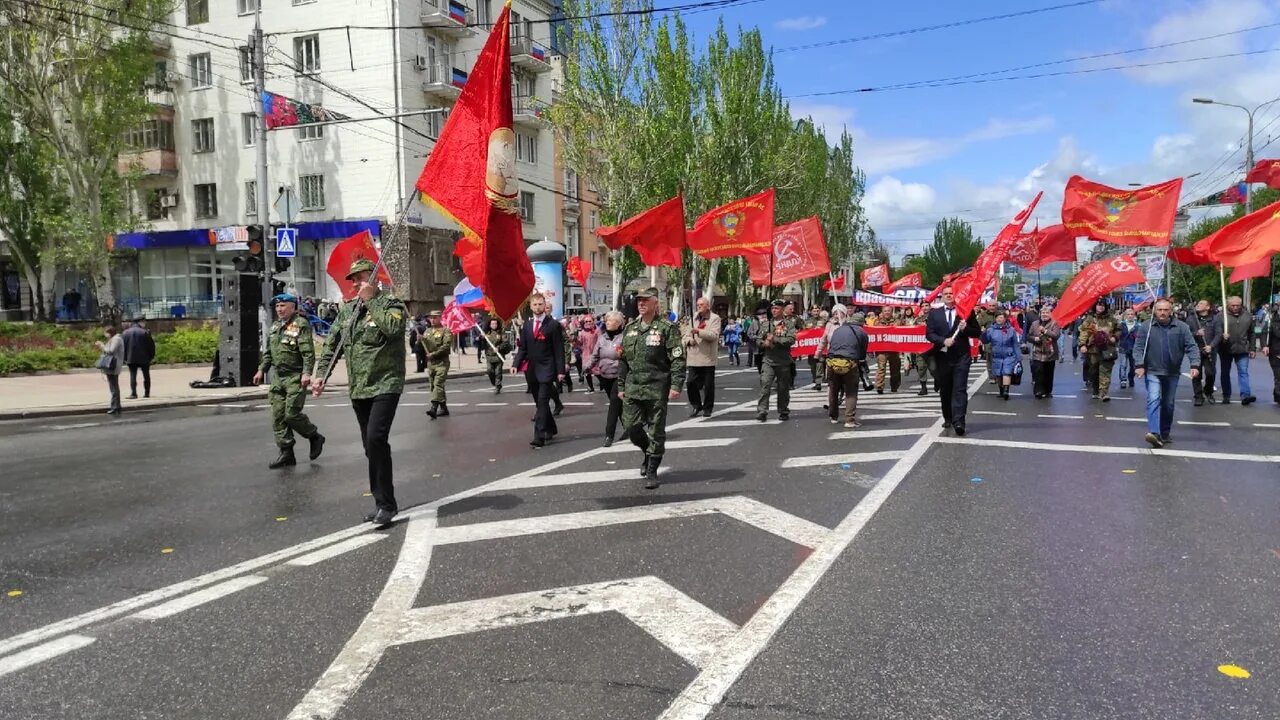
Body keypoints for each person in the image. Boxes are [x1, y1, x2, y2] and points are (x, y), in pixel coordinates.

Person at [312, 258, 407, 526]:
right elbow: (332, 345)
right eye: (352, 279)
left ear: (374, 278)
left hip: (386, 383)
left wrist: (372, 301)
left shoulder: (391, 304)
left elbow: (392, 329)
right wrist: (321, 376)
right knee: (370, 446)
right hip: (359, 387)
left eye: (360, 277)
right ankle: (381, 503)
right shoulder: (348, 311)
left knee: (377, 438)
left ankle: (387, 506)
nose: (355, 283)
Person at [618, 286, 686, 489]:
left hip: (657, 387)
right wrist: (621, 385)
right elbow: (623, 360)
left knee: (656, 430)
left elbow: (677, 359)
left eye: (646, 300)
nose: (641, 303)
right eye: (639, 300)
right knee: (631, 427)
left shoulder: (666, 328)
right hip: (633, 387)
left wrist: (676, 385)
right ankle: (648, 451)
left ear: (656, 303)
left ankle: (652, 470)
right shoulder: (630, 329)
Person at [253, 293, 325, 469]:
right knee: (278, 416)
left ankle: (314, 436)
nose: (279, 309)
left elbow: (308, 352)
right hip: (279, 377)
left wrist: (307, 373)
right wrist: (261, 370)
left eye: (283, 306)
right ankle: (286, 453)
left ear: (293, 307)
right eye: (277, 307)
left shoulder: (301, 324)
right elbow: (269, 353)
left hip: (295, 376)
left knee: (291, 414)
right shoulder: (275, 326)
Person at [1133, 299, 1199, 448]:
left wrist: (1195, 364)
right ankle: (1154, 433)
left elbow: (1191, 346)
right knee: (1153, 399)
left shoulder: (1181, 327)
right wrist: (1139, 365)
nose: (1162, 313)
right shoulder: (1146, 327)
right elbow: (1138, 347)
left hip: (1172, 371)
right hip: (1152, 370)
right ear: (1154, 311)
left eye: (1165, 310)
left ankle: (1164, 432)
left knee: (1168, 404)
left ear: (1171, 311)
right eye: (1159, 310)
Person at [925, 288, 982, 435]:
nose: (949, 295)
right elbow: (929, 334)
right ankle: (948, 417)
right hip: (943, 357)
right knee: (946, 389)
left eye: (952, 293)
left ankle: (959, 421)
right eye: (946, 294)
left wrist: (965, 329)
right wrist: (943, 340)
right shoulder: (934, 314)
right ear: (942, 297)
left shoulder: (965, 312)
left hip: (961, 357)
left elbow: (976, 332)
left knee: (960, 389)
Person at [513, 293, 565, 448]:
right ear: (531, 306)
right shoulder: (527, 326)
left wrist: (560, 370)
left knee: (543, 401)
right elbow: (523, 348)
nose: (538, 307)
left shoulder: (553, 325)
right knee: (539, 402)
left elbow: (559, 350)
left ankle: (539, 435)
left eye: (540, 304)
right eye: (535, 304)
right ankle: (551, 428)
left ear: (545, 305)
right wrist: (516, 363)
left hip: (547, 368)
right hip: (532, 370)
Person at [818, 304, 868, 428]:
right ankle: (849, 420)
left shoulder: (838, 329)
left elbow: (831, 345)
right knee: (851, 392)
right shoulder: (862, 333)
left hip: (832, 362)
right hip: (849, 364)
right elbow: (862, 354)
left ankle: (833, 416)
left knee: (833, 389)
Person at [586, 310, 626, 446]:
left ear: (619, 323)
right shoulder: (602, 337)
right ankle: (629, 427)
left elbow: (627, 357)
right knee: (618, 405)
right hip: (605, 374)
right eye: (607, 320)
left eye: (611, 320)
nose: (608, 322)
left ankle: (609, 435)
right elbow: (595, 354)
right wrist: (587, 366)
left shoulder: (624, 337)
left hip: (619, 375)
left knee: (614, 404)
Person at [756, 299, 797, 422]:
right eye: (772, 309)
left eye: (777, 308)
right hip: (768, 360)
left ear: (782, 310)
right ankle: (762, 411)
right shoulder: (765, 324)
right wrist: (765, 343)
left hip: (783, 361)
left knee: (783, 388)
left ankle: (783, 410)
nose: (774, 311)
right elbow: (758, 340)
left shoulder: (788, 324)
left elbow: (791, 339)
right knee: (765, 385)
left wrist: (775, 340)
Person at [683, 296, 721, 418]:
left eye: (702, 305)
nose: (699, 307)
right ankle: (696, 405)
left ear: (708, 306)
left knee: (708, 385)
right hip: (693, 357)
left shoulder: (715, 318)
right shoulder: (693, 317)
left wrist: (698, 332)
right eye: (698, 305)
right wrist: (689, 340)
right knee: (690, 383)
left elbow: (713, 335)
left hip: (707, 357)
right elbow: (685, 335)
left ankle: (708, 408)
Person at [1218, 295, 1256, 405]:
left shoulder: (1247, 316)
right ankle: (1226, 395)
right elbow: (1216, 331)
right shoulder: (1221, 316)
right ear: (1228, 305)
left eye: (1238, 305)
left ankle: (1245, 395)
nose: (1235, 307)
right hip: (1226, 349)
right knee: (1225, 373)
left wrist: (1252, 348)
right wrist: (1222, 336)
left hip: (1242, 349)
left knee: (1243, 372)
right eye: (1233, 305)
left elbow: (1252, 333)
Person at [1079, 300, 1118, 401]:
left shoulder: (1111, 319)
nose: (1100, 307)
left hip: (1107, 348)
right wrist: (1083, 344)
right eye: (1098, 305)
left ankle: (1104, 393)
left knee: (1105, 371)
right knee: (1094, 371)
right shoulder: (1090, 319)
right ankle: (1096, 390)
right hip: (1093, 350)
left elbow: (1118, 330)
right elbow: (1084, 332)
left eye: (1102, 305)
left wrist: (1115, 337)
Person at [1185, 299, 1221, 405]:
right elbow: (1186, 334)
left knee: (1210, 373)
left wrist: (1211, 345)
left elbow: (1218, 334)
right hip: (1195, 350)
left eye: (1201, 304)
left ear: (1207, 307)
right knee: (1196, 373)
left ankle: (1208, 391)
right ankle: (1198, 396)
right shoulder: (1191, 319)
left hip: (1209, 350)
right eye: (1198, 303)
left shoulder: (1215, 319)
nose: (1198, 305)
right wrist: (1196, 333)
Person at [420, 310, 453, 419]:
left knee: (438, 384)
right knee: (433, 386)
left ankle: (433, 408)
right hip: (431, 363)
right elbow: (423, 345)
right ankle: (443, 408)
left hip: (441, 362)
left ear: (440, 318)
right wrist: (419, 340)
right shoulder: (427, 331)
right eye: (431, 318)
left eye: (435, 317)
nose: (432, 320)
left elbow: (446, 346)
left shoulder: (446, 331)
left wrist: (434, 354)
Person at [981, 310, 1021, 400]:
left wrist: (1018, 357)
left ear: (1005, 319)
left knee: (1006, 372)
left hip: (1009, 355)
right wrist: (983, 333)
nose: (999, 319)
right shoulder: (991, 330)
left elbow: (1015, 344)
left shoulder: (1011, 330)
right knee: (998, 374)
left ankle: (1006, 391)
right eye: (998, 317)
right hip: (996, 355)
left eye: (1001, 317)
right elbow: (985, 341)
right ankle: (1001, 391)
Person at [1028, 306, 1061, 399]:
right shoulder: (1035, 324)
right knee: (1038, 371)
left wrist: (1045, 331)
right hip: (1038, 352)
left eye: (1047, 313)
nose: (1044, 314)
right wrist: (1035, 338)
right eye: (1043, 313)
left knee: (1048, 372)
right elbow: (1029, 336)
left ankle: (1047, 391)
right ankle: (1038, 391)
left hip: (1050, 352)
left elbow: (1056, 335)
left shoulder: (1054, 324)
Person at [122, 316, 156, 399]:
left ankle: (133, 393)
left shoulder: (126, 333)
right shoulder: (145, 332)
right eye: (144, 321)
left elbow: (123, 346)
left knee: (133, 375)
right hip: (144, 358)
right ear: (140, 322)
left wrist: (125, 358)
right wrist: (151, 357)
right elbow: (151, 346)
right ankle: (147, 393)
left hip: (131, 358)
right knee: (146, 375)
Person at [95, 324, 125, 415]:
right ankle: (116, 406)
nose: (105, 335)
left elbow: (111, 351)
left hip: (113, 366)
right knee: (113, 386)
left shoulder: (116, 339)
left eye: (106, 333)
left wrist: (102, 346)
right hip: (111, 366)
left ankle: (115, 407)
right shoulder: (114, 339)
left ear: (110, 332)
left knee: (114, 387)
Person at [873, 306, 903, 394]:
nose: (887, 312)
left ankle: (894, 386)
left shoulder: (897, 322)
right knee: (881, 368)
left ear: (892, 312)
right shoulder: (877, 322)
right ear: (882, 312)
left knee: (895, 369)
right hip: (881, 349)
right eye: (885, 311)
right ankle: (879, 386)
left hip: (894, 349)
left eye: (888, 311)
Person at [482, 318, 511, 393]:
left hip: (498, 356)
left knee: (498, 372)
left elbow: (506, 342)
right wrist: (481, 338)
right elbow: (481, 344)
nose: (494, 325)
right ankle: (494, 383)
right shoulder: (486, 333)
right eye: (492, 324)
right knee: (489, 370)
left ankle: (498, 386)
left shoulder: (501, 332)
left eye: (495, 324)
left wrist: (499, 347)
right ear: (489, 324)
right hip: (489, 356)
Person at [1116, 308, 1139, 390]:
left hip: (1134, 348)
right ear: (1125, 315)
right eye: (1128, 314)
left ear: (1134, 315)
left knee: (1133, 366)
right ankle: (1123, 380)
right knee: (1123, 365)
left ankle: (1131, 377)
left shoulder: (1138, 326)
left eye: (1131, 314)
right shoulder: (1121, 325)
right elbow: (1117, 335)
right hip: (1123, 347)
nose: (1130, 316)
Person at [1261, 303, 1280, 403]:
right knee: (1278, 375)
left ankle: (1277, 394)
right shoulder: (1271, 318)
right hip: (1275, 352)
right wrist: (1264, 345)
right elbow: (1264, 333)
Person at [577, 317, 598, 392]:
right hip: (586, 354)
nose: (588, 323)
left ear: (593, 321)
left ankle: (603, 384)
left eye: (590, 321)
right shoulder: (583, 332)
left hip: (596, 353)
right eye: (586, 321)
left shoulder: (597, 330)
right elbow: (580, 342)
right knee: (586, 370)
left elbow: (601, 341)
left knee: (597, 371)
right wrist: (576, 340)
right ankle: (590, 387)